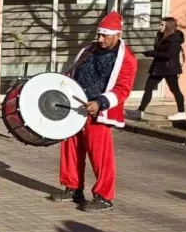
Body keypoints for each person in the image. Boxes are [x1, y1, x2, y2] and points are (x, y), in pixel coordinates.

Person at [52, 11, 137, 213]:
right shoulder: (89, 50)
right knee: (70, 149)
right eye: (99, 34)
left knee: (100, 155)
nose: (100, 39)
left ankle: (104, 196)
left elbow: (123, 89)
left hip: (99, 111)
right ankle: (73, 188)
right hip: (76, 106)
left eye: (105, 35)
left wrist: (100, 103)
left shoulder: (127, 58)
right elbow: (73, 71)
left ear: (117, 34)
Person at [133, 16, 185, 122]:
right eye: (160, 24)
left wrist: (151, 53)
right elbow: (159, 50)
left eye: (162, 25)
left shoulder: (175, 39)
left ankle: (181, 113)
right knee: (148, 87)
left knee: (175, 90)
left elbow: (168, 55)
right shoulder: (161, 35)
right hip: (158, 67)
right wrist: (152, 53)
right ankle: (140, 111)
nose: (159, 26)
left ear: (168, 26)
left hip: (170, 68)